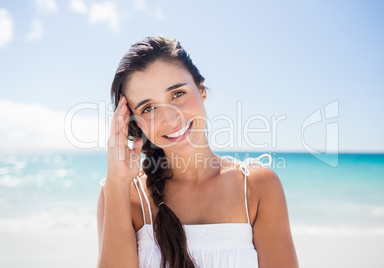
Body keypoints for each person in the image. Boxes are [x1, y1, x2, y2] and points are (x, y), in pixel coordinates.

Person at [96, 35, 298, 268]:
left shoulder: (257, 187)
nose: (171, 119)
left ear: (201, 88)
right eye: (148, 108)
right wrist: (118, 183)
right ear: (134, 122)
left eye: (177, 93)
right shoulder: (120, 193)